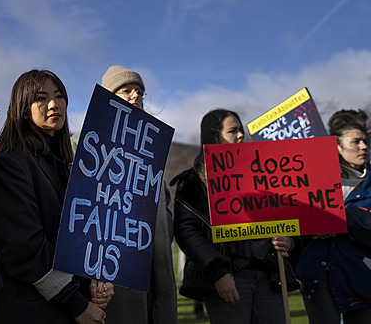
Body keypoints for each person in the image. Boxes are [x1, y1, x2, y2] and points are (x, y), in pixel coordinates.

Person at [0, 69, 114, 324]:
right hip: (32, 312)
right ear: (23, 108)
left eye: (59, 96)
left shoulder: (71, 168)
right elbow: (24, 248)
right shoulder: (11, 163)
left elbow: (81, 238)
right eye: (41, 98)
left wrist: (96, 281)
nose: (53, 104)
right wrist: (76, 304)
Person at [71, 65, 178, 324]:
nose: (135, 97)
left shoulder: (152, 154)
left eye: (139, 92)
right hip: (106, 275)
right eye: (126, 91)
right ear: (107, 99)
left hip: (153, 271)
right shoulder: (82, 144)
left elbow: (164, 207)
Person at [171, 108, 295, 324]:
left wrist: (289, 240)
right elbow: (187, 232)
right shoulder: (193, 182)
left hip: (269, 277)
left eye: (241, 130)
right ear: (214, 135)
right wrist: (218, 272)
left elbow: (283, 216)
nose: (240, 135)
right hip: (229, 279)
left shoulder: (263, 172)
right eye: (233, 131)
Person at [295, 121, 371, 323]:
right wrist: (311, 228)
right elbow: (294, 223)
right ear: (337, 146)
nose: (364, 146)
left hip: (362, 277)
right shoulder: (312, 180)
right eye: (356, 141)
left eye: (365, 141)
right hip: (318, 275)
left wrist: (340, 220)